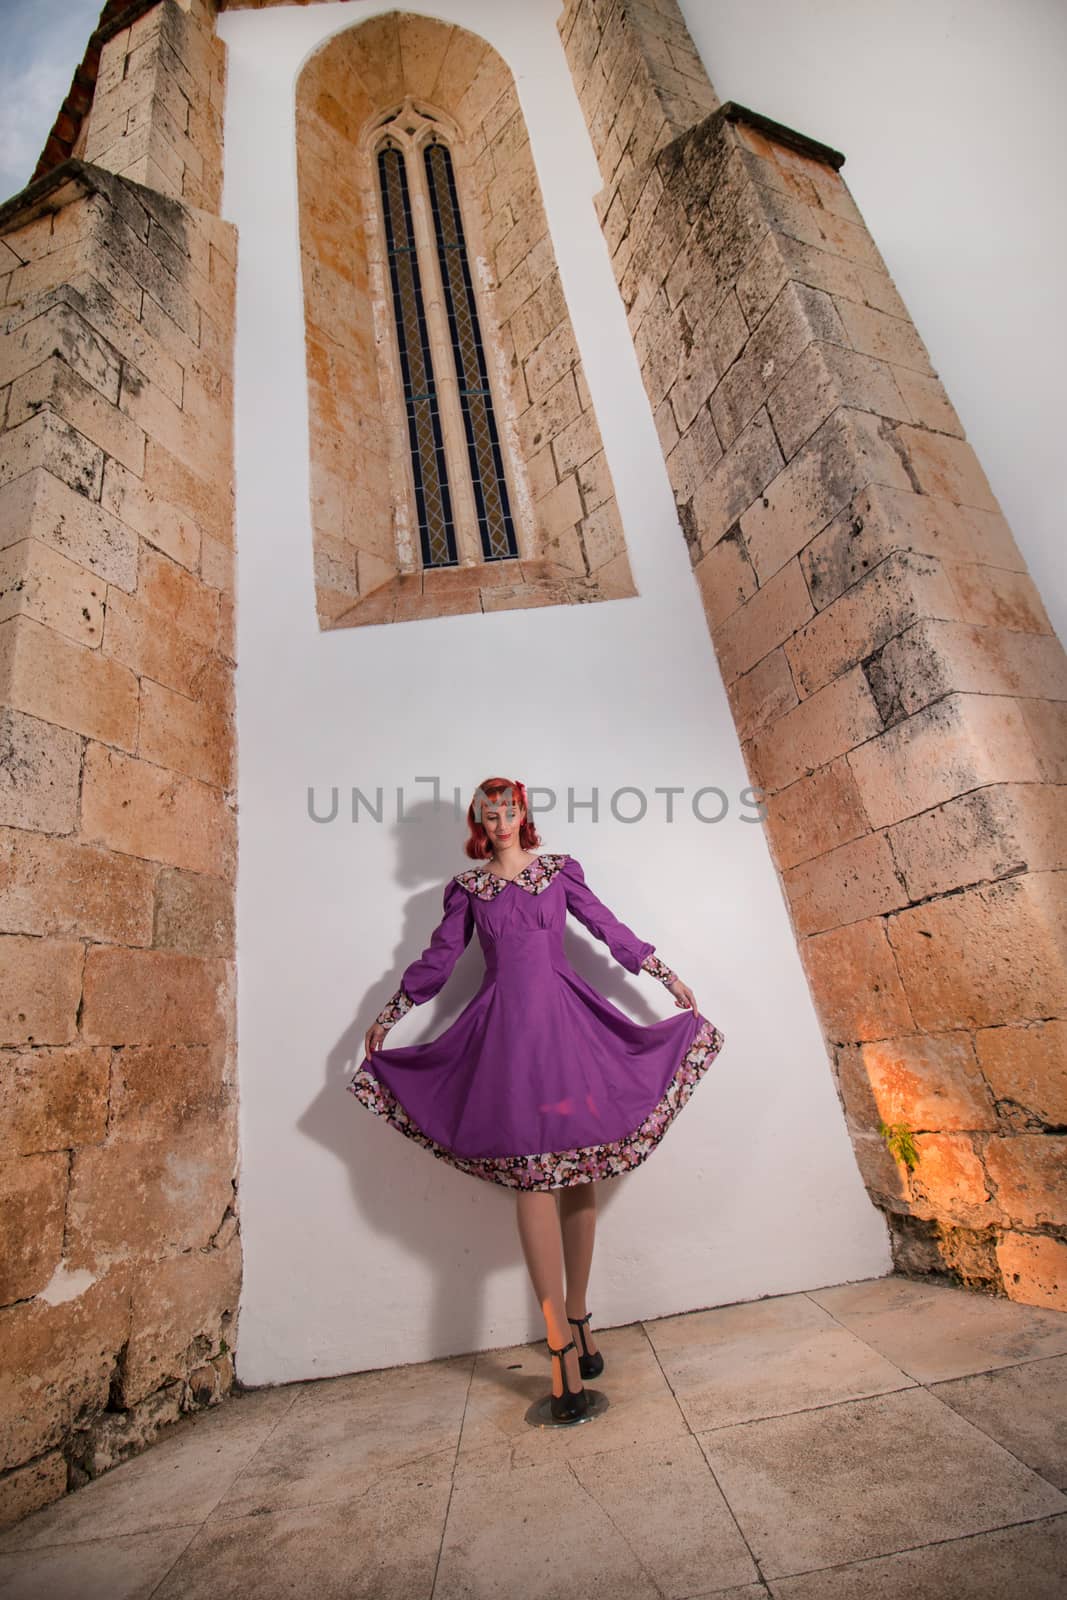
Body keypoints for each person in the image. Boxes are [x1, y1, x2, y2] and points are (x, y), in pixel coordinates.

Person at [350, 775, 725, 1422]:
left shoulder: (559, 871)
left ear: (523, 813)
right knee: (534, 1181)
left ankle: (579, 1322)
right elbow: (438, 962)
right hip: (507, 1041)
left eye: (509, 808)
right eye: (487, 812)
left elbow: (606, 927)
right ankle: (556, 1347)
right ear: (478, 822)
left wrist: (665, 976)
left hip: (569, 1028)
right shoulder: (467, 890)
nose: (499, 820)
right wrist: (390, 1014)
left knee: (578, 1177)